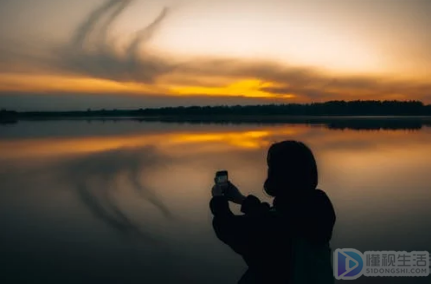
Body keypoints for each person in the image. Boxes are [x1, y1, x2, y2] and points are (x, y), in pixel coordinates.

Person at [210, 140, 336, 284]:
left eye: (271, 167)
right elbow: (277, 216)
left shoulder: (272, 228)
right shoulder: (317, 208)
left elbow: (228, 228)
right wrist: (241, 199)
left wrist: (218, 200)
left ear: (279, 176)